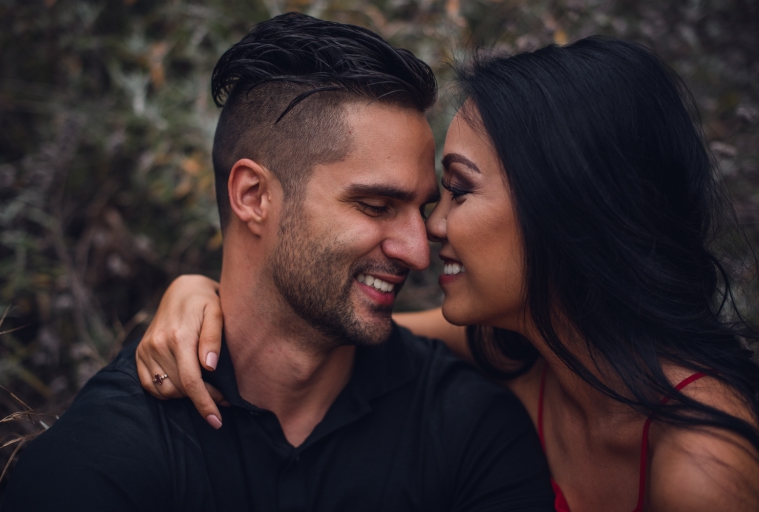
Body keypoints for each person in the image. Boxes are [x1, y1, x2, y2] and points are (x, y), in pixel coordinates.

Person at [137, 36, 759, 510]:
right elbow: (317, 318)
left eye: (458, 190)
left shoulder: (704, 468)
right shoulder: (519, 348)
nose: (428, 233)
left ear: (563, 206)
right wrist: (198, 292)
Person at [2, 13, 555, 512]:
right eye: (376, 206)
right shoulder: (107, 456)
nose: (417, 249)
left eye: (422, 207)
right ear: (253, 197)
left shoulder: (468, 430)